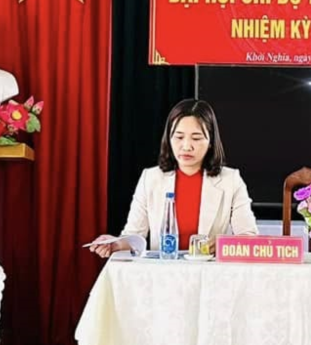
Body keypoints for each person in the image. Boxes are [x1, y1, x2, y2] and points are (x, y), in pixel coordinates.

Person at [94, 98, 259, 257]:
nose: (186, 146)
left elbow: (249, 237)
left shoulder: (230, 180)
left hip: (210, 270)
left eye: (196, 138)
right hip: (164, 270)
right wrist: (115, 244)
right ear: (169, 138)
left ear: (210, 141)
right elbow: (134, 234)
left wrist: (222, 243)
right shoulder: (150, 178)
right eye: (179, 137)